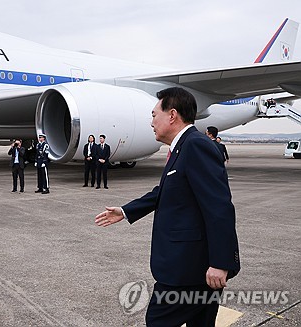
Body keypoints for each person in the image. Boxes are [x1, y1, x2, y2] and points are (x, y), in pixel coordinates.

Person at [95, 87, 240, 327]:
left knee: (158, 321)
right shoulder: (182, 147)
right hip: (192, 268)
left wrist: (220, 263)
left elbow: (219, 207)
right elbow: (164, 191)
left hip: (189, 269)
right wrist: (126, 211)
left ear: (172, 115)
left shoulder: (195, 146)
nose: (151, 122)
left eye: (154, 115)